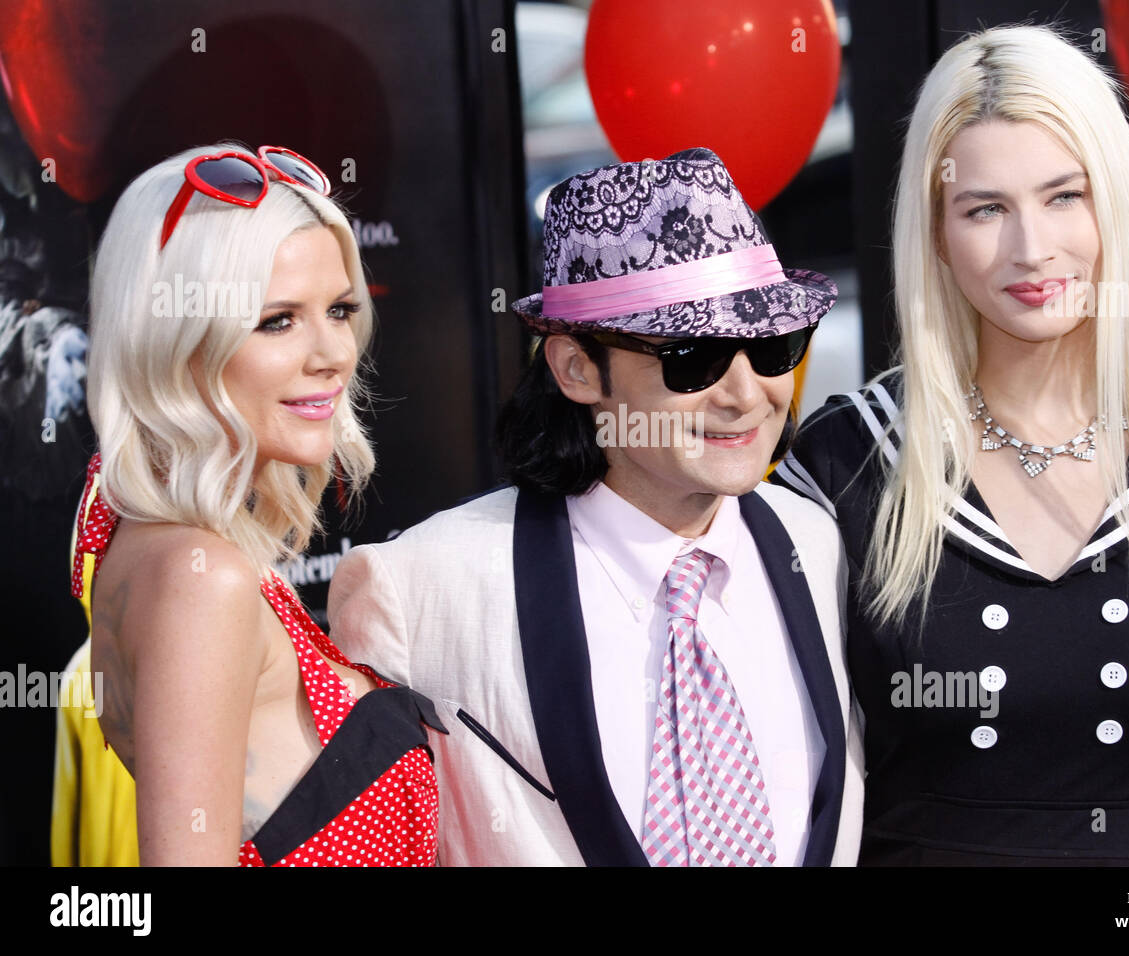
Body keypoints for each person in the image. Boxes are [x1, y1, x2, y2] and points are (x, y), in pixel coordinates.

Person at [773, 24, 1129, 866]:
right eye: (985, 209)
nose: (1032, 250)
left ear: (1116, 201)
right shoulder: (841, 466)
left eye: (1065, 196)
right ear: (936, 232)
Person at [329, 147, 864, 866]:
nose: (746, 393)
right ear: (577, 368)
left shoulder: (815, 540)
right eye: (692, 357)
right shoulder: (418, 589)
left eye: (771, 347)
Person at [78, 142, 444, 866]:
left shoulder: (141, 535)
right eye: (277, 320)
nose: (334, 352)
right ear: (177, 340)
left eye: (339, 309)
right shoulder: (200, 578)